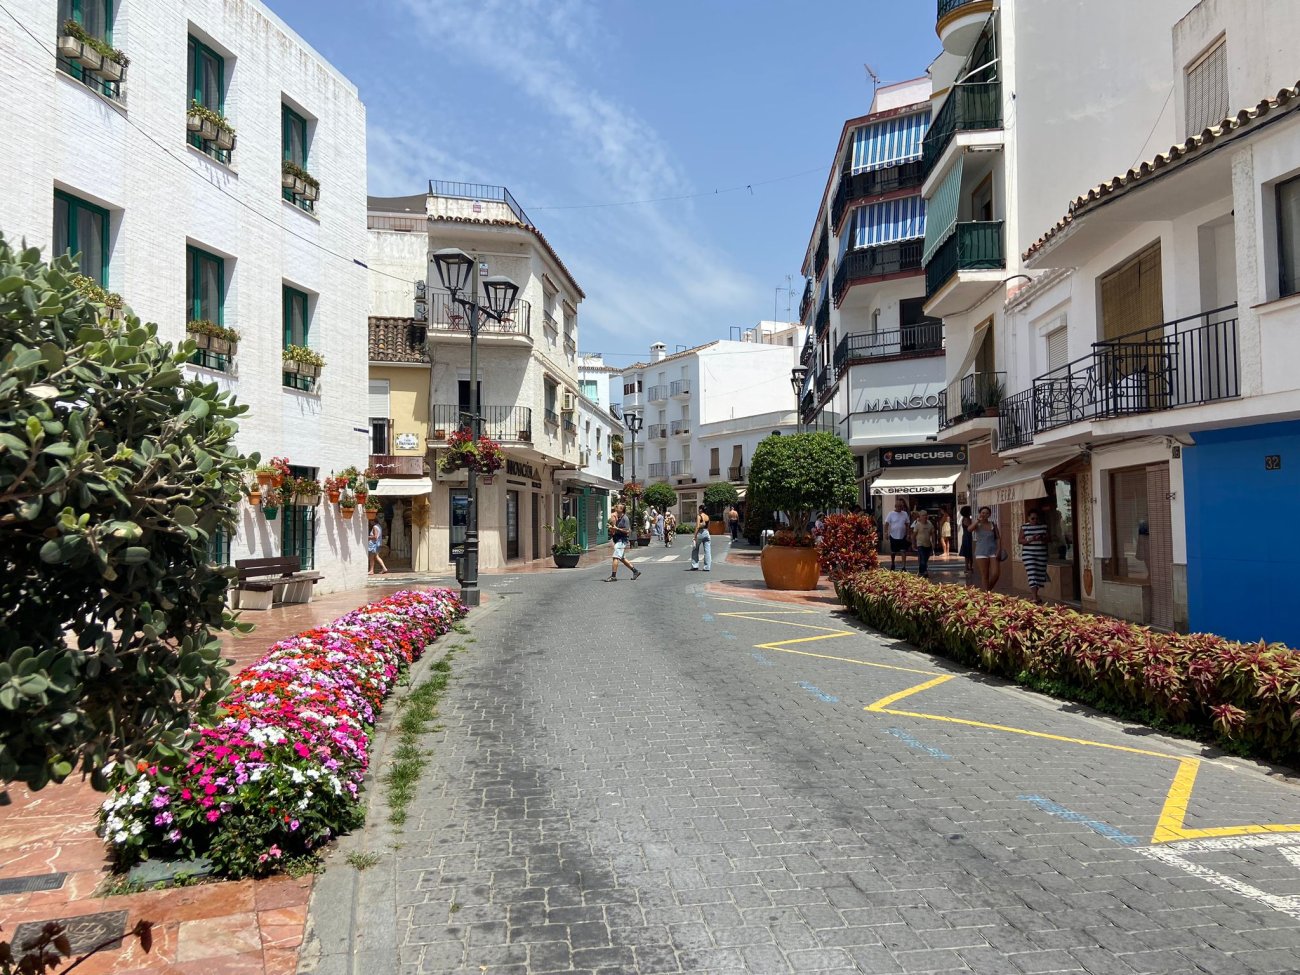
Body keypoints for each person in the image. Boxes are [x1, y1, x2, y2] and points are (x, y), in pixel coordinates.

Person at [1019, 508, 1050, 604]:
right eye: (1033, 518)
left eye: (1036, 519)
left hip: (1041, 554)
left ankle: (1036, 596)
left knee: (1039, 576)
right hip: (1028, 554)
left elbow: (1049, 539)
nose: (1035, 520)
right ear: (1028, 518)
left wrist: (1043, 538)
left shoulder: (1044, 526)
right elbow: (1020, 540)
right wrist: (1031, 539)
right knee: (1032, 574)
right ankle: (1034, 597)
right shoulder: (1024, 527)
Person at [606, 502, 641, 582]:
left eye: (617, 507)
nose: (615, 508)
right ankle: (635, 571)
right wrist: (611, 527)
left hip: (622, 540)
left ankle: (613, 576)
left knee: (615, 557)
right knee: (622, 558)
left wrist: (616, 529)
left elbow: (627, 531)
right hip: (618, 539)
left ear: (621, 510)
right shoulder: (618, 517)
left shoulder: (625, 518)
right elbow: (615, 527)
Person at [972, 506, 1002, 591]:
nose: (985, 514)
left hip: (993, 551)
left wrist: (999, 549)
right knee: (985, 574)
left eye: (987, 513)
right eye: (983, 513)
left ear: (990, 515)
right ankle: (987, 594)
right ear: (980, 514)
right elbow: (969, 529)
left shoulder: (993, 524)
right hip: (981, 552)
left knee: (996, 573)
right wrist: (977, 521)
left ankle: (987, 590)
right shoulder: (977, 524)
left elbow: (998, 538)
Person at [884, 497, 912, 571]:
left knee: (903, 551)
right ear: (895, 506)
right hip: (893, 535)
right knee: (893, 552)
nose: (900, 508)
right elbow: (886, 524)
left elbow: (907, 525)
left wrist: (908, 534)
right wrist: (886, 533)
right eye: (898, 506)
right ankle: (893, 563)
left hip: (902, 535)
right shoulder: (891, 514)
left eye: (901, 506)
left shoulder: (905, 514)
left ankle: (903, 566)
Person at [911, 509, 937, 578]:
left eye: (926, 515)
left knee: (925, 559)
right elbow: (914, 535)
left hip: (928, 544)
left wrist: (934, 543)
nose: (925, 517)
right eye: (923, 515)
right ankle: (923, 572)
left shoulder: (930, 524)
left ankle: (922, 571)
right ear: (920, 517)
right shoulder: (917, 525)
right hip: (920, 544)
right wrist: (913, 544)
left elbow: (933, 534)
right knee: (922, 558)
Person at [690, 504, 712, 571]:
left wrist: (695, 536)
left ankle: (695, 565)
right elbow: (709, 526)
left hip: (700, 532)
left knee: (695, 549)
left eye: (699, 509)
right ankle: (707, 567)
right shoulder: (707, 516)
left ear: (700, 509)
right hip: (706, 532)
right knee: (707, 550)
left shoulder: (699, 516)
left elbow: (697, 526)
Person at [958, 505, 974, 575]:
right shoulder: (967, 519)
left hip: (966, 536)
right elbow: (970, 527)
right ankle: (968, 567)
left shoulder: (964, 518)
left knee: (967, 553)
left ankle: (968, 567)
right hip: (968, 536)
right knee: (968, 552)